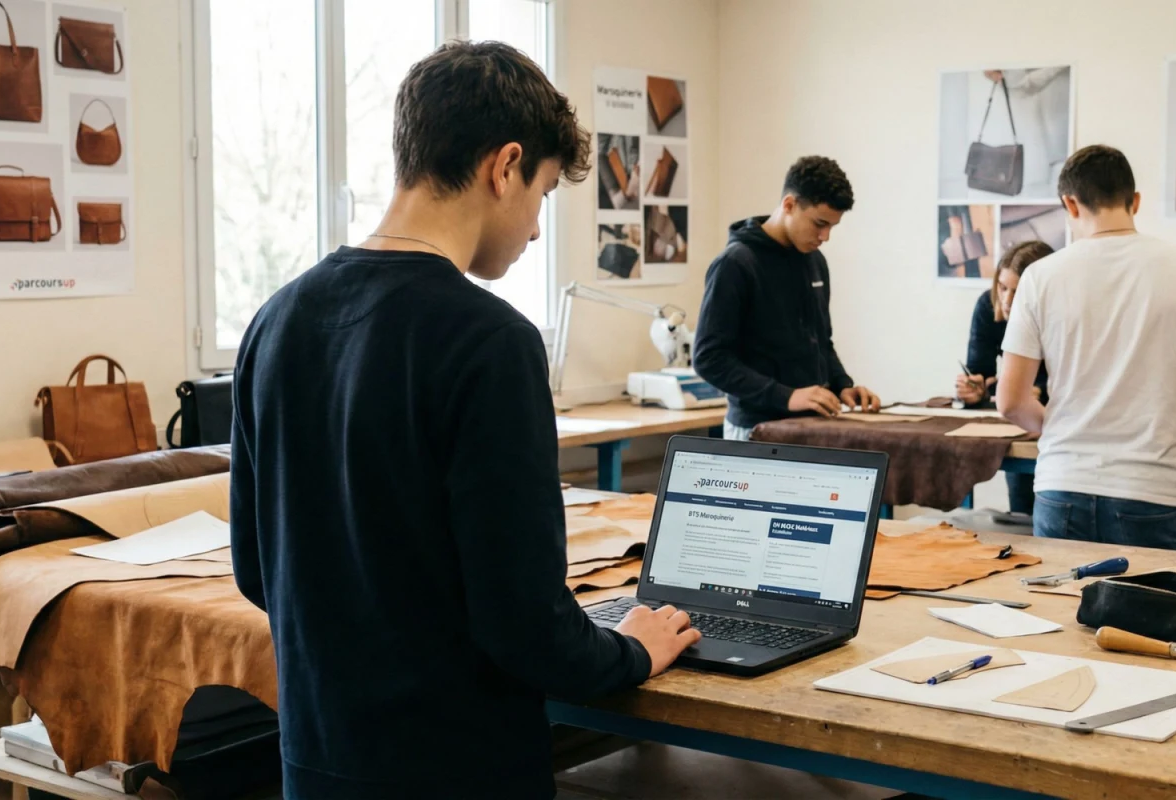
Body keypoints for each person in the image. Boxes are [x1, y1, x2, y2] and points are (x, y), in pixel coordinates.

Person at [229, 42, 699, 798]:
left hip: (318, 756)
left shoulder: (275, 320)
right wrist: (631, 650)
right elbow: (525, 626)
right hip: (456, 767)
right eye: (543, 193)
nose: (537, 229)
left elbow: (258, 569)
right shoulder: (492, 342)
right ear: (504, 166)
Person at [997, 145, 1176, 550]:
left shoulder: (1040, 277)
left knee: (1062, 612)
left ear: (1070, 204)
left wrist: (1068, 429)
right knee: (1153, 613)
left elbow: (1010, 401)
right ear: (1135, 201)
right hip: (1152, 489)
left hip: (1063, 487)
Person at [693, 156, 881, 440]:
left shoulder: (815, 261)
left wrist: (843, 385)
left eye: (832, 226)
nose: (826, 236)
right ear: (789, 205)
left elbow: (821, 341)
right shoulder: (736, 264)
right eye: (819, 223)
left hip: (813, 426)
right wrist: (786, 396)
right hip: (756, 430)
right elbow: (709, 358)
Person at [958, 240, 1053, 514]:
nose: (1008, 300)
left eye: (1018, 290)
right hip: (1020, 421)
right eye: (1002, 287)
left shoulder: (1063, 311)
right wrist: (974, 389)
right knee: (1022, 509)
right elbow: (980, 372)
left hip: (1060, 418)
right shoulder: (988, 307)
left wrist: (1038, 390)